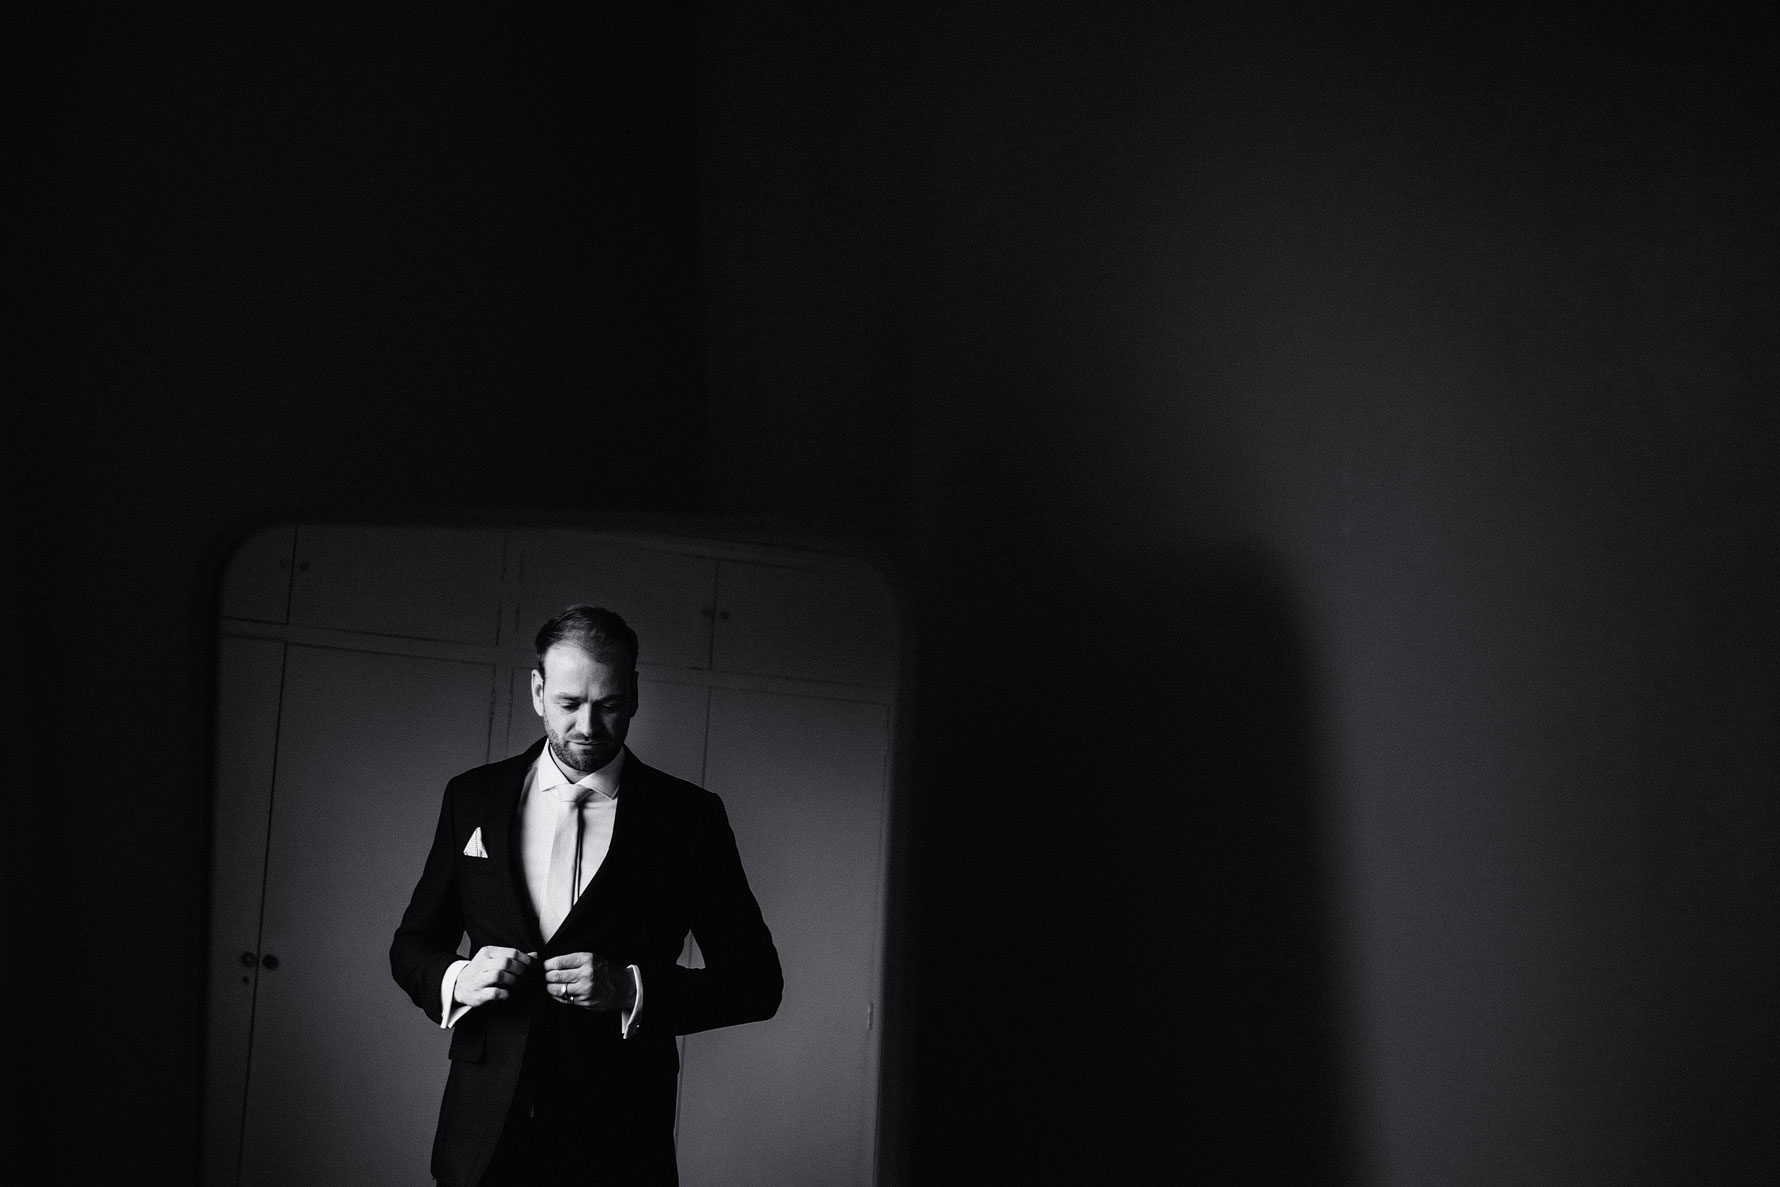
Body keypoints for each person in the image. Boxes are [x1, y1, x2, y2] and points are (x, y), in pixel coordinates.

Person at [391, 604, 783, 1186]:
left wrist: (631, 988)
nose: (588, 727)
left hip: (619, 1139)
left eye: (610, 705)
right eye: (569, 704)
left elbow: (756, 984)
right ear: (536, 690)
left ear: (635, 694)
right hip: (480, 1137)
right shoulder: (472, 797)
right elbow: (413, 944)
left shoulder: (690, 819)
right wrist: (458, 980)